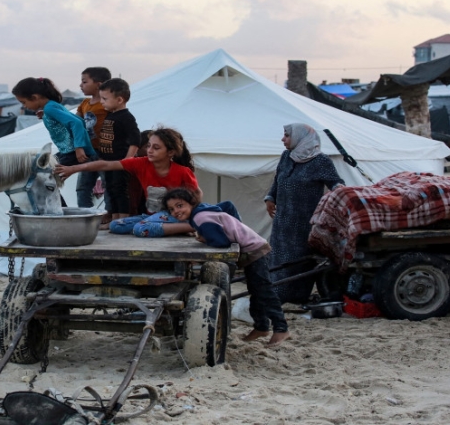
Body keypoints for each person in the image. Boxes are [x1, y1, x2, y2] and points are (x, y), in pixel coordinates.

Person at [163, 188, 290, 347]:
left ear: (191, 203)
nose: (176, 211)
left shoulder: (200, 217)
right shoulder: (202, 212)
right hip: (253, 250)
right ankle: (262, 327)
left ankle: (281, 328)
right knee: (256, 291)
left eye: (179, 205)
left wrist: (206, 240)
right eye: (172, 209)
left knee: (264, 290)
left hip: (255, 251)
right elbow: (227, 208)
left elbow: (221, 242)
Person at [56, 127, 199, 237]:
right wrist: (73, 169)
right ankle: (170, 229)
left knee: (140, 228)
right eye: (148, 146)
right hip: (150, 217)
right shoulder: (141, 164)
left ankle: (190, 226)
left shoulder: (182, 171)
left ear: (171, 152)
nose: (149, 150)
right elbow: (106, 165)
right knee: (115, 225)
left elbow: (196, 197)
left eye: (156, 148)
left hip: (173, 216)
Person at [265, 123, 344, 304]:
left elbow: (335, 184)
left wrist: (343, 193)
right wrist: (270, 197)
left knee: (300, 260)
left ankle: (296, 296)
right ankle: (278, 294)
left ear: (302, 137)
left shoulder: (320, 161)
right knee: (278, 258)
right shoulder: (287, 157)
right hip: (282, 222)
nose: (283, 139)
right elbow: (279, 178)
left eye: (286, 135)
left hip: (304, 223)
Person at [12, 77, 98, 206]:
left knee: (43, 180)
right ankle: (60, 210)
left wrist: (79, 147)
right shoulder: (51, 107)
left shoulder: (50, 109)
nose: (24, 106)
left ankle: (60, 211)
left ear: (35, 97)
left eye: (24, 102)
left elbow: (76, 123)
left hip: (71, 152)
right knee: (44, 178)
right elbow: (76, 119)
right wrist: (46, 116)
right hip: (66, 151)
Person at [97, 78, 140, 225]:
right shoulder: (111, 115)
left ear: (120, 99)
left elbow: (135, 140)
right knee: (110, 189)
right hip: (107, 162)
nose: (101, 101)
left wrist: (127, 161)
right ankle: (114, 219)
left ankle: (123, 220)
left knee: (120, 189)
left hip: (120, 162)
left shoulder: (127, 117)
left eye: (104, 98)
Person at [76, 67, 111, 209]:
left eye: (84, 82)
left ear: (98, 84)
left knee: (108, 185)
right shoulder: (84, 103)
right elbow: (75, 122)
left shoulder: (107, 104)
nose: (81, 85)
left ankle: (109, 214)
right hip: (88, 152)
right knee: (83, 187)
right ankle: (86, 214)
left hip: (105, 152)